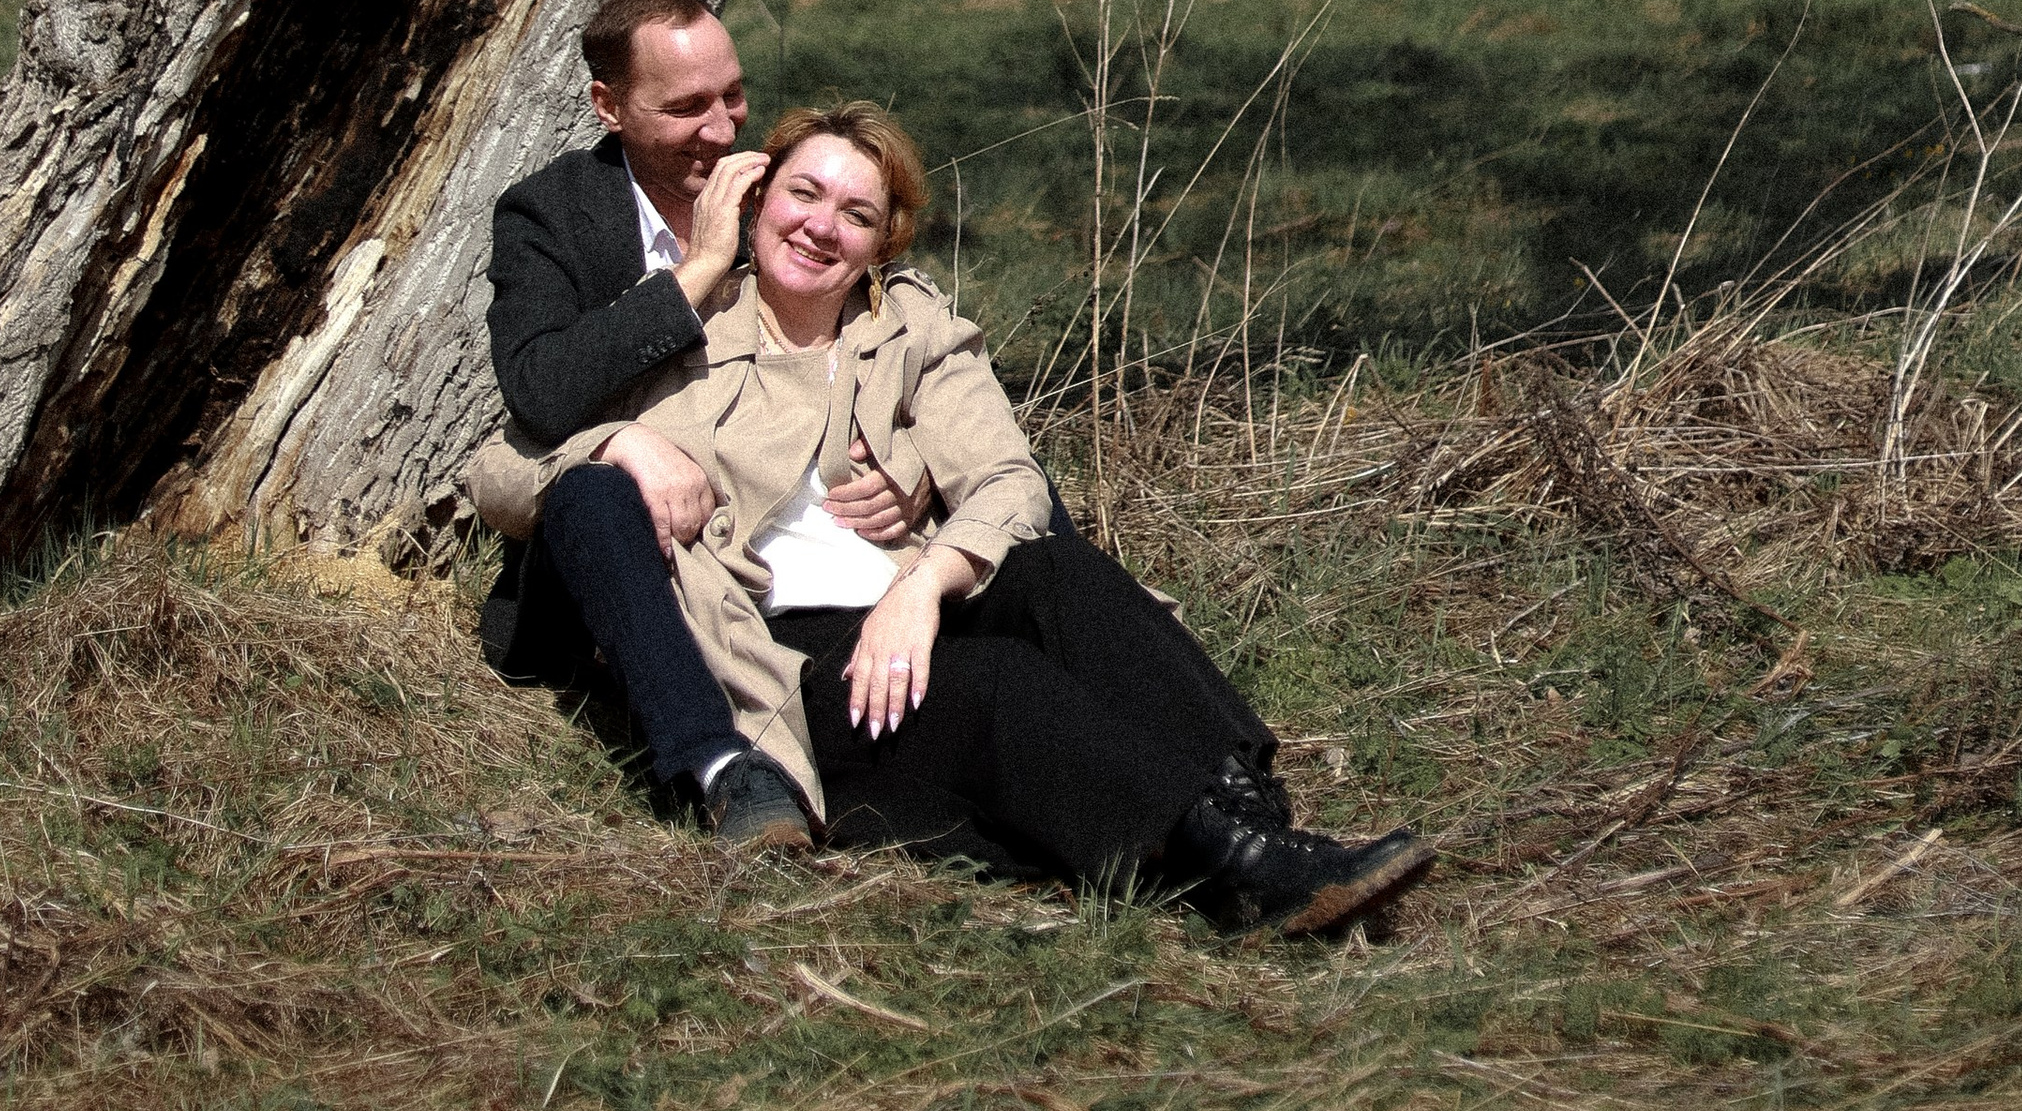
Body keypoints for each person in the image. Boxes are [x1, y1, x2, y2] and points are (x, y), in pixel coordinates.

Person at [471, 94, 1435, 937]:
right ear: (757, 202)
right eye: (803, 194)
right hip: (785, 657)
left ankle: (1246, 810)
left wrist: (927, 583)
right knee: (1000, 685)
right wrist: (619, 444)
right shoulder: (678, 329)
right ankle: (1235, 876)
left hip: (907, 601)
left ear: (882, 244)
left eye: (856, 213)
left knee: (1054, 569)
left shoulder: (914, 330)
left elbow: (1013, 484)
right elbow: (503, 472)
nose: (820, 228)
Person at [481, 0, 929, 849]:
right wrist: (702, 271)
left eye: (732, 95)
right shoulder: (551, 217)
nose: (723, 131)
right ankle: (724, 768)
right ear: (608, 108)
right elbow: (536, 390)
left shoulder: (786, 195)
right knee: (592, 496)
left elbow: (894, 344)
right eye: (685, 107)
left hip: (781, 546)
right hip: (624, 562)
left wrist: (911, 472)